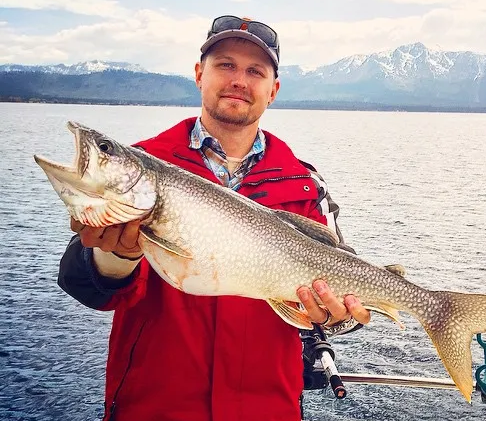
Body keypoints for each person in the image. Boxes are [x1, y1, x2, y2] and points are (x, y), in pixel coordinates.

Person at [57, 15, 371, 421]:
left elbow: (349, 309)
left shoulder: (307, 185)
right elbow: (82, 286)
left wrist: (335, 317)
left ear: (272, 90)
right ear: (198, 74)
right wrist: (115, 258)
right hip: (152, 409)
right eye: (225, 64)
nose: (239, 79)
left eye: (255, 70)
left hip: (267, 410)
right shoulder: (143, 167)